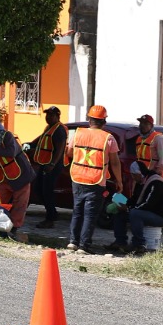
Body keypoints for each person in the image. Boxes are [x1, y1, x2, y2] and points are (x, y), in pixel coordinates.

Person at [67, 104, 120, 253]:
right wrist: (119, 181)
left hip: (77, 177)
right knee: (90, 214)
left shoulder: (77, 134)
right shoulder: (108, 138)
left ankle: (73, 242)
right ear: (104, 122)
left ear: (89, 119)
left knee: (77, 210)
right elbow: (115, 162)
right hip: (96, 181)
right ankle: (84, 246)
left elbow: (70, 152)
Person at [0, 124, 35, 240]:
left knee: (20, 204)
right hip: (2, 177)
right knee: (0, 203)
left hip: (20, 175)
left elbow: (11, 152)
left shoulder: (7, 136)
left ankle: (13, 229)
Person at [113, 162, 163, 256]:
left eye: (133, 175)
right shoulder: (140, 182)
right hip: (146, 213)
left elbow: (148, 204)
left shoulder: (155, 183)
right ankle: (120, 242)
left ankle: (138, 244)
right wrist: (123, 203)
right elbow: (134, 200)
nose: (132, 177)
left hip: (160, 216)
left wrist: (128, 208)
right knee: (119, 214)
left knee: (134, 213)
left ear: (139, 173)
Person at [129, 114, 163, 191]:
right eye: (141, 123)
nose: (142, 125)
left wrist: (155, 174)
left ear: (151, 126)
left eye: (146, 124)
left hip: (154, 178)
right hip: (141, 178)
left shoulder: (159, 139)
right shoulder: (139, 139)